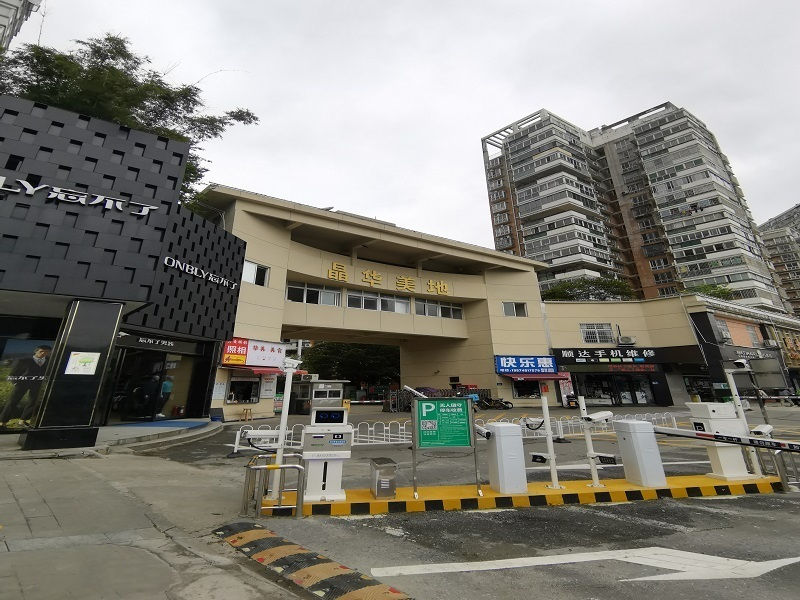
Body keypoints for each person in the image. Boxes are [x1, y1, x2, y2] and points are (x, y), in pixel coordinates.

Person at [0, 345, 52, 428]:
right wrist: (16, 383)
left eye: (46, 352)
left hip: (37, 385)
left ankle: (22, 421)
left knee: (33, 402)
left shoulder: (49, 362)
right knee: (12, 402)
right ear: (36, 351)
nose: (43, 353)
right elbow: (12, 374)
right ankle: (2, 422)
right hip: (21, 384)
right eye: (41, 351)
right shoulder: (24, 361)